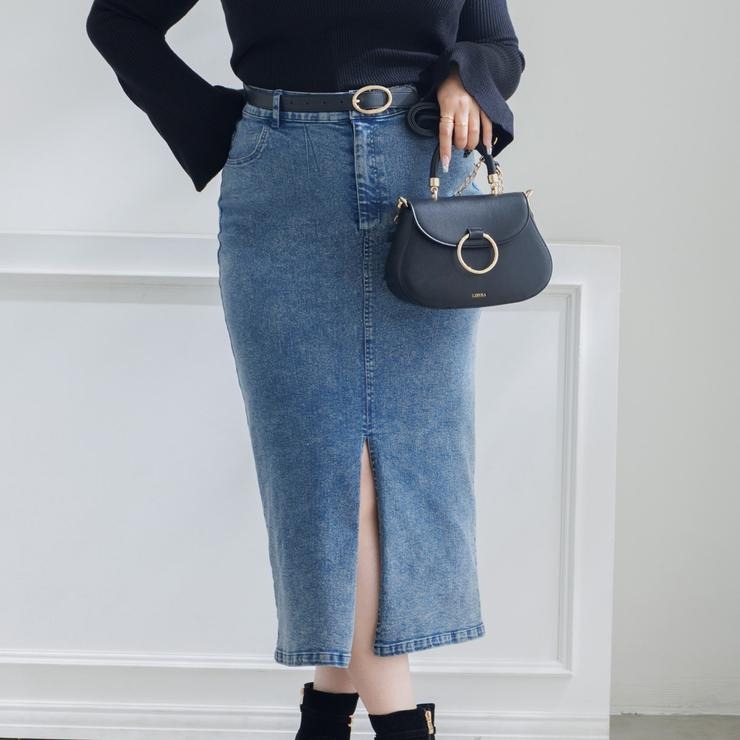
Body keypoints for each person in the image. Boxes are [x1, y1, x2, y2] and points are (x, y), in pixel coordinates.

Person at [85, 2, 525, 738]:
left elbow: (495, 41)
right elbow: (119, 20)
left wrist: (465, 77)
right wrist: (219, 129)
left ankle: (323, 721)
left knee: (403, 471)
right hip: (285, 185)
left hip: (426, 186)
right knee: (325, 476)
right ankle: (401, 725)